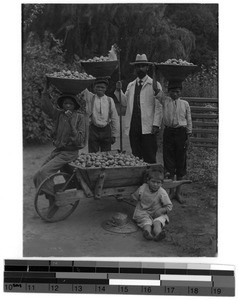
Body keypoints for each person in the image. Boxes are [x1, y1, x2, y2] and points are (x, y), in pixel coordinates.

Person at [33, 79, 87, 199]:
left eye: (70, 104)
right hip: (58, 151)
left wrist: (71, 123)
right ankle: (50, 194)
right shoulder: (59, 114)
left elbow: (79, 141)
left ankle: (54, 197)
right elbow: (46, 107)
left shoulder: (79, 117)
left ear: (75, 106)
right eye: (65, 103)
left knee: (44, 173)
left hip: (69, 153)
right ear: (62, 105)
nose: (67, 106)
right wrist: (45, 89)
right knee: (38, 175)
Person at [115, 54, 162, 163]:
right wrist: (118, 91)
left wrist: (156, 124)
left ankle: (151, 177)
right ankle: (139, 177)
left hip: (148, 125)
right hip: (134, 125)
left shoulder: (154, 85)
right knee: (136, 154)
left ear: (147, 67)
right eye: (138, 66)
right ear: (135, 68)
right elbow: (125, 103)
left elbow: (159, 107)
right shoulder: (131, 85)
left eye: (142, 66)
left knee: (149, 153)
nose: (140, 68)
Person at [154, 78, 192, 203]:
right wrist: (154, 71)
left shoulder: (185, 104)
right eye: (172, 91)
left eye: (177, 91)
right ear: (168, 92)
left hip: (181, 133)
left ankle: (178, 192)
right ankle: (170, 192)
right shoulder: (165, 101)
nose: (174, 94)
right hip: (169, 132)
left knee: (180, 161)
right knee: (169, 162)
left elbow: (189, 120)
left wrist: (188, 136)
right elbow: (155, 89)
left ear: (180, 92)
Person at [132, 168, 173, 241]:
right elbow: (136, 197)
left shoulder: (162, 192)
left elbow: (169, 206)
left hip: (157, 212)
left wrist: (161, 210)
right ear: (148, 181)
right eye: (153, 181)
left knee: (157, 222)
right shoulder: (143, 188)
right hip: (144, 213)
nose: (155, 184)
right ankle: (148, 233)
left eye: (158, 183)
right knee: (146, 223)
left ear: (162, 183)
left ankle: (158, 234)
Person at [81, 77, 119, 153]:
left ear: (106, 89)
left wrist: (114, 134)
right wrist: (85, 77)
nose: (100, 89)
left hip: (106, 130)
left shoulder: (109, 100)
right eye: (98, 87)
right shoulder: (90, 97)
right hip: (93, 129)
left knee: (106, 153)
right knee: (93, 153)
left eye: (102, 87)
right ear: (94, 88)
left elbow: (114, 117)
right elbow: (83, 89)